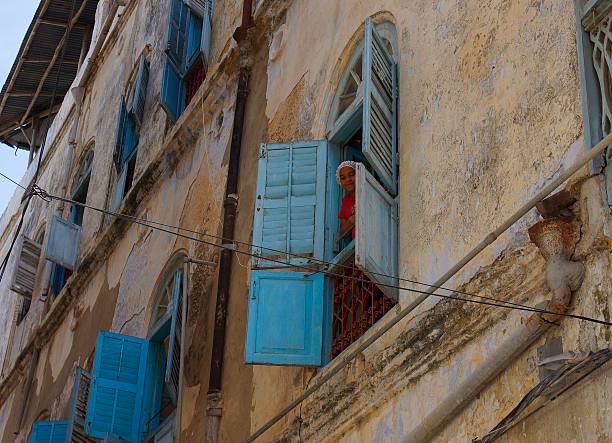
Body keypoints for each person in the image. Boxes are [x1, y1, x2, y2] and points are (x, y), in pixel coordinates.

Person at [336, 160, 358, 239]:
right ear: (340, 182)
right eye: (343, 178)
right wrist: (352, 220)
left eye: (351, 175)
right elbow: (341, 233)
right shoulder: (346, 200)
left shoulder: (370, 192)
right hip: (358, 246)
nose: (348, 179)